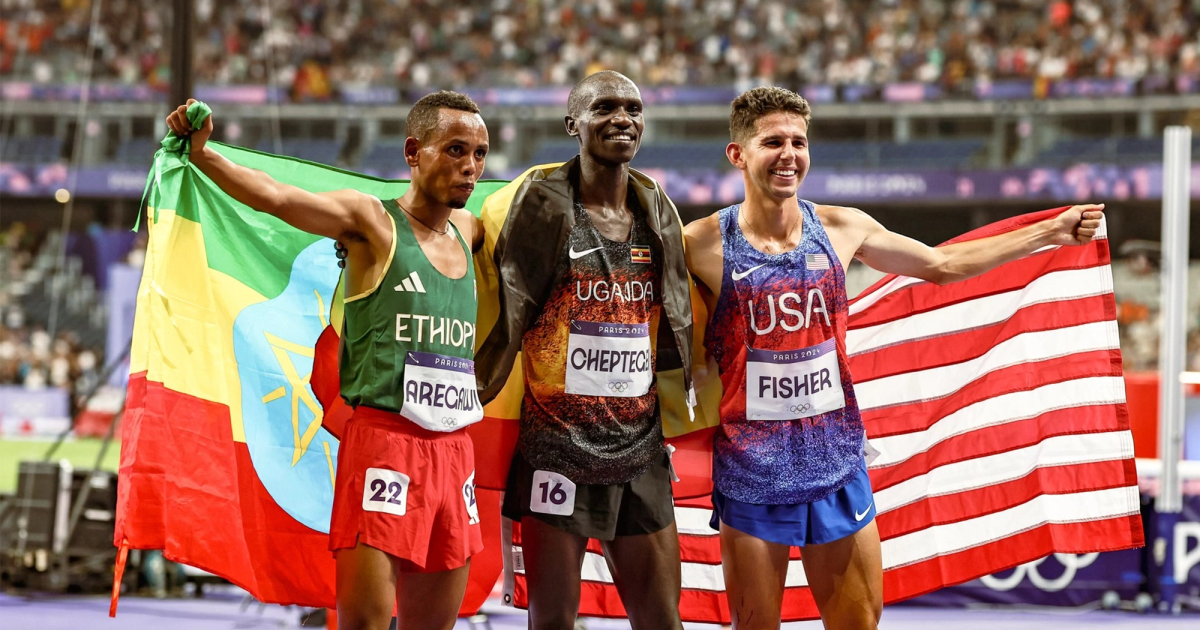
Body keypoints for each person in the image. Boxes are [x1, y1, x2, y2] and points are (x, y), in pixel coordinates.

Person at [682, 86, 1105, 630]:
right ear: (738, 155)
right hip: (750, 468)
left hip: (836, 463)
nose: (789, 154)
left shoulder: (841, 227)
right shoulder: (701, 245)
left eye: (798, 142)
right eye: (772, 143)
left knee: (859, 623)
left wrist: (1047, 233)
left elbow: (942, 264)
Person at [165, 91, 490, 630]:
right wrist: (204, 155)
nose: (470, 166)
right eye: (455, 149)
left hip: (455, 453)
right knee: (362, 624)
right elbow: (276, 197)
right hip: (384, 444)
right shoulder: (373, 223)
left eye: (480, 153)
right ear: (414, 152)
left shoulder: (474, 231)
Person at [474, 71, 696, 630]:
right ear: (573, 123)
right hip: (554, 447)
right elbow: (472, 239)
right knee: (552, 622)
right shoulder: (543, 203)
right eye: (605, 108)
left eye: (633, 108)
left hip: (640, 448)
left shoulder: (656, 211)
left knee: (663, 619)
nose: (622, 118)